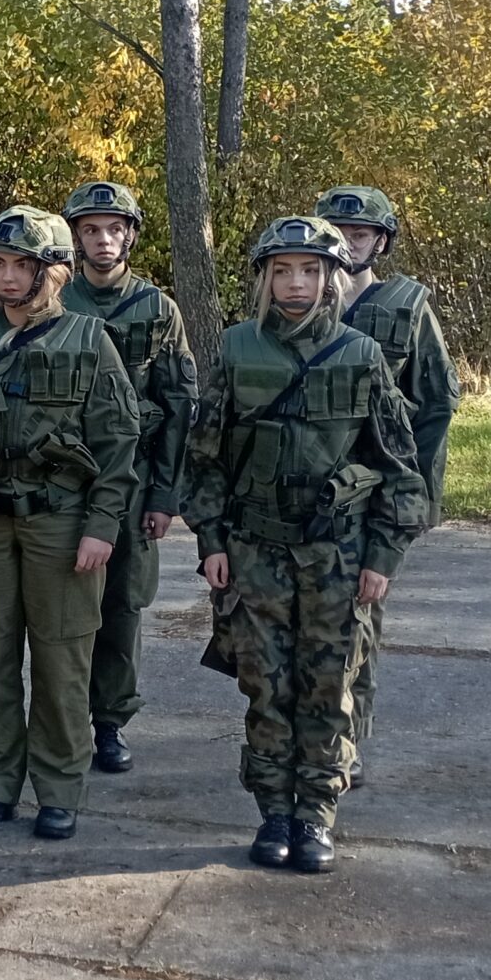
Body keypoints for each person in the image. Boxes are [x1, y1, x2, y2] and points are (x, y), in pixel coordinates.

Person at [185, 215, 428, 874]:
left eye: (310, 270)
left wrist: (382, 558)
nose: (296, 283)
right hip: (255, 552)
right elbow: (203, 459)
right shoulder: (236, 349)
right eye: (283, 270)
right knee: (265, 686)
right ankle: (273, 813)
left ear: (331, 279)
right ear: (265, 278)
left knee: (328, 687)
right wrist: (212, 540)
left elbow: (400, 468)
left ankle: (317, 814)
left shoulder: (361, 356)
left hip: (336, 557)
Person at [0, 207, 140, 839]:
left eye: (24, 265)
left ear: (54, 272)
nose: (9, 277)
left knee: (61, 663)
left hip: (60, 524)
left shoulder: (88, 339)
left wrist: (102, 524)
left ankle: (59, 789)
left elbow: (119, 439)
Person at [315, 184, 459, 781]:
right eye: (339, 233)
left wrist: (415, 497)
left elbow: (436, 404)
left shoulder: (406, 308)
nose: (350, 244)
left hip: (375, 489)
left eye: (362, 234)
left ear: (381, 242)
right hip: (305, 489)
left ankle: (347, 742)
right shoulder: (296, 299)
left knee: (360, 622)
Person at [61, 181, 199, 776]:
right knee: (63, 606)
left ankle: (110, 722)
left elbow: (179, 405)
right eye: (90, 229)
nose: (102, 240)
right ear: (75, 238)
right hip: (64, 479)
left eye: (113, 229)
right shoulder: (55, 299)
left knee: (123, 605)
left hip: (135, 481)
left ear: (130, 236)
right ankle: (64, 719)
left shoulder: (157, 309)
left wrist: (166, 494)